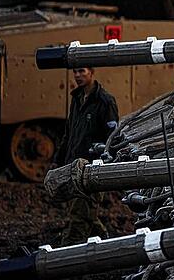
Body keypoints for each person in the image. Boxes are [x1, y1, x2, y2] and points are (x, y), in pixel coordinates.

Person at [53, 67, 118, 244]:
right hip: (72, 167)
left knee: (79, 216)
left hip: (90, 171)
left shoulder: (105, 102)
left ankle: (68, 253)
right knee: (86, 213)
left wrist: (103, 167)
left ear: (92, 72)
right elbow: (69, 133)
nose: (77, 76)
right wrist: (58, 161)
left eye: (82, 71)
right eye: (75, 72)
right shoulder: (77, 99)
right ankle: (106, 243)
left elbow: (112, 139)